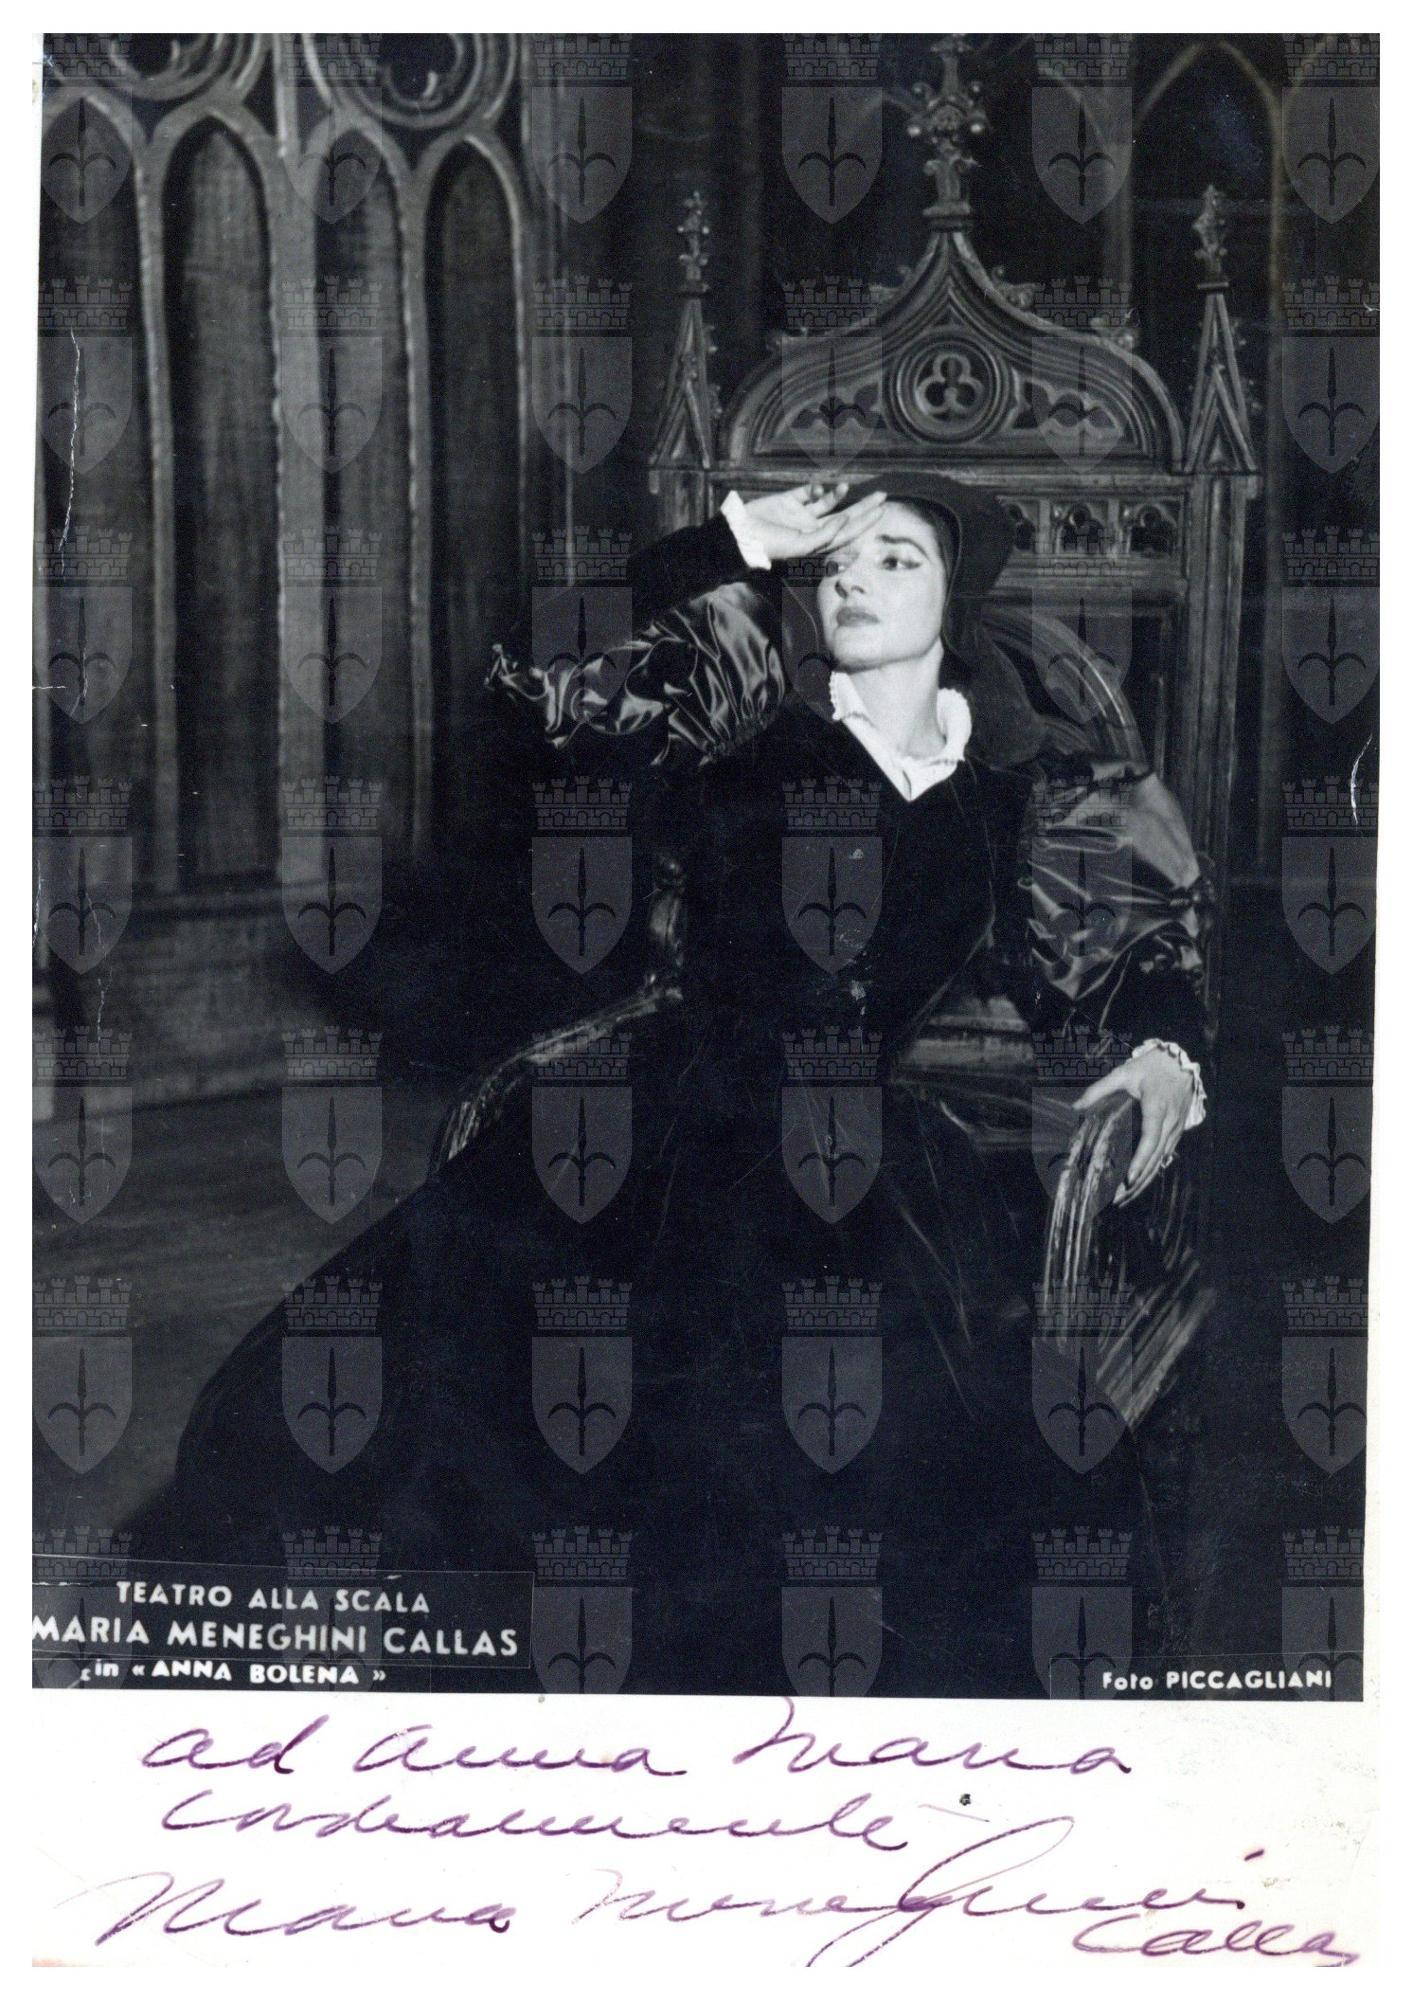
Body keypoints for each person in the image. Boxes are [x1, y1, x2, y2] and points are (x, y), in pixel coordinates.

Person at [135, 475, 1209, 1697]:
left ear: (957, 600)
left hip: (870, 1148)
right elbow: (541, 679)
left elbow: (1134, 955)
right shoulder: (740, 739)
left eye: (896, 559)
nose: (853, 580)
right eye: (837, 563)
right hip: (674, 1117)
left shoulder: (1022, 798)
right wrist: (735, 540)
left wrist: (1163, 1053)